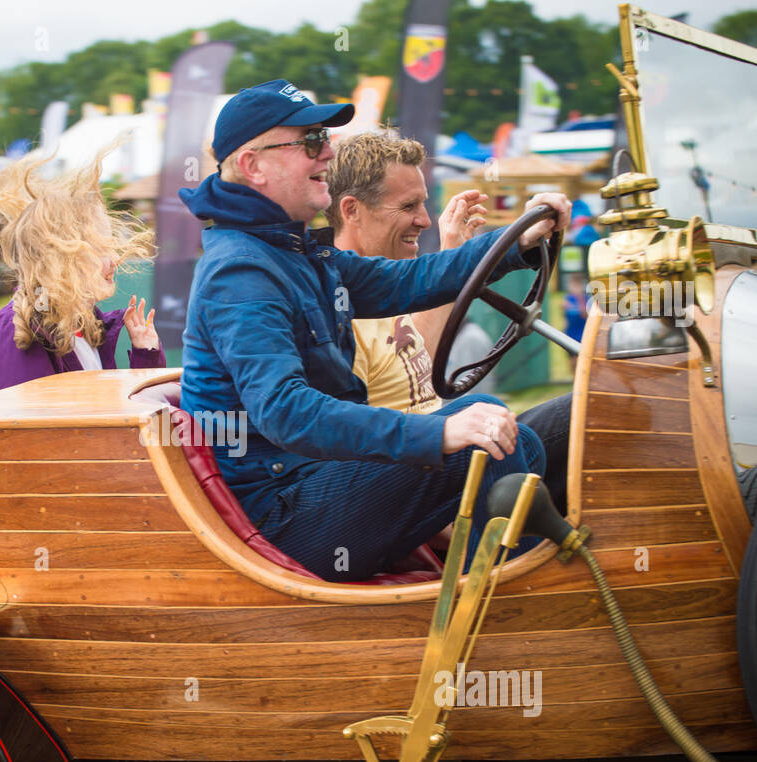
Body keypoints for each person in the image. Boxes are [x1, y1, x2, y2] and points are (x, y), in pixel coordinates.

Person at [178, 79, 570, 582]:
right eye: (311, 143)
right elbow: (284, 410)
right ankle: (494, 620)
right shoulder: (242, 271)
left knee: (540, 429)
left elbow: (411, 279)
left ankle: (528, 590)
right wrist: (437, 430)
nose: (327, 156)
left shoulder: (295, 254)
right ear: (254, 166)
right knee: (491, 433)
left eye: (328, 141)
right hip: (284, 513)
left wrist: (519, 240)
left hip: (319, 481)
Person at [324, 130, 572, 514]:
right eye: (408, 206)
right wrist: (433, 530)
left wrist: (454, 249)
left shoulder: (391, 282)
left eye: (423, 204)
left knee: (586, 410)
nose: (424, 220)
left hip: (440, 456)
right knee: (500, 421)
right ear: (351, 210)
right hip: (407, 478)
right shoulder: (339, 309)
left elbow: (410, 365)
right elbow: (346, 446)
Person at [0, 150, 163, 397]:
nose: (114, 259)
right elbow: (22, 432)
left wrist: (146, 353)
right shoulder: (18, 333)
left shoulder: (85, 326)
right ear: (61, 258)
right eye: (100, 249)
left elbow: (117, 414)